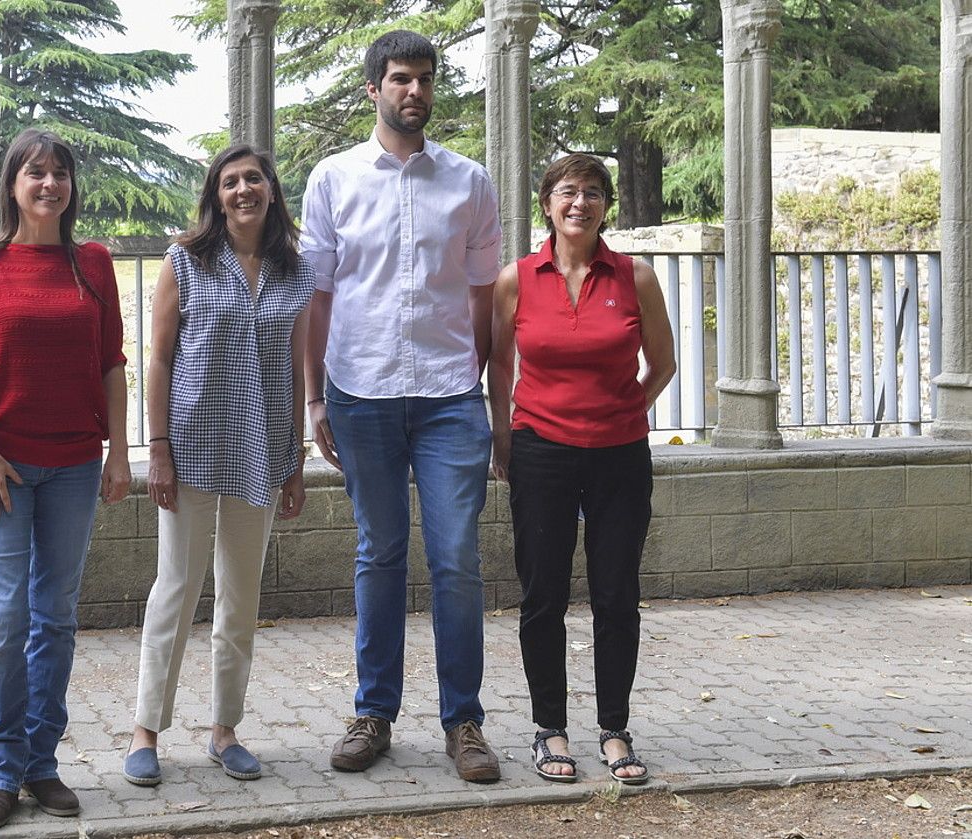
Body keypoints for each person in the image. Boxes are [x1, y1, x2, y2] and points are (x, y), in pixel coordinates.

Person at [301, 30, 503, 783]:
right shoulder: (333, 179)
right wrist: (316, 395)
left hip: (451, 397)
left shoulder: (470, 182)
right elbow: (318, 297)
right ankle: (374, 711)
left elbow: (485, 297)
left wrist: (476, 384)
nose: (412, 91)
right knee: (379, 554)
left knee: (456, 559)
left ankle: (465, 721)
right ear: (373, 90)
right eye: (398, 80)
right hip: (363, 393)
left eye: (422, 79)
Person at [0, 128, 131, 828]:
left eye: (60, 173)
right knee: (5, 617)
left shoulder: (94, 264)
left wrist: (119, 452)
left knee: (54, 616)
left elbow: (112, 362)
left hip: (77, 463)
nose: (49, 184)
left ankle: (40, 761)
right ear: (12, 184)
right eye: (35, 172)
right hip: (1, 467)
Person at [124, 144, 314, 786]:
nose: (243, 190)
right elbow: (158, 359)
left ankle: (224, 729)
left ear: (270, 190)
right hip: (194, 450)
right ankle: (146, 729)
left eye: (253, 178)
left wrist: (295, 458)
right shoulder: (186, 260)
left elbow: (295, 368)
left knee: (241, 596)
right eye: (230, 181)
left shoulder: (295, 272)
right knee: (175, 590)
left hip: (262, 453)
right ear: (216, 194)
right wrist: (158, 448)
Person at [487, 153, 676, 786]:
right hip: (540, 450)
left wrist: (628, 408)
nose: (580, 203)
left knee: (616, 593)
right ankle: (549, 729)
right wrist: (504, 438)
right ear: (547, 203)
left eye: (593, 193)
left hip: (620, 455)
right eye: (568, 191)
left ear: (605, 207)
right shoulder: (516, 278)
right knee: (543, 595)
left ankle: (615, 729)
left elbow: (663, 363)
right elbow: (500, 369)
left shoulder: (635, 277)